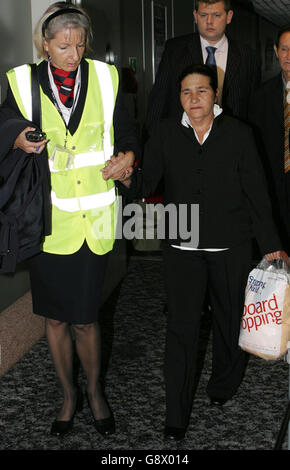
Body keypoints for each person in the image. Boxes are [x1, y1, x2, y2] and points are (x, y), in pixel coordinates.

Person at [114, 64, 283, 441]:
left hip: (231, 247)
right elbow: (146, 183)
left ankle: (223, 386)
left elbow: (257, 193)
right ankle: (176, 413)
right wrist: (126, 176)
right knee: (181, 329)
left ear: (215, 94)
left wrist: (271, 245)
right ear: (179, 97)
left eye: (201, 91)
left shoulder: (240, 134)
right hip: (182, 249)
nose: (193, 99)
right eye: (186, 92)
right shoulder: (164, 133)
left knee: (229, 324)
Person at [0, 2, 138, 437]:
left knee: (84, 317)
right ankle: (67, 394)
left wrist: (129, 158)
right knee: (54, 318)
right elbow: (3, 122)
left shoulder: (108, 78)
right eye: (63, 46)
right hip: (47, 221)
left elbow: (129, 132)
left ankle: (94, 392)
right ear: (45, 44)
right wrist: (18, 137)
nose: (74, 54)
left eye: (80, 45)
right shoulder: (20, 81)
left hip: (94, 220)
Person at [144, 0, 261, 139]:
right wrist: (149, 147)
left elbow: (254, 109)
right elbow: (158, 103)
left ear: (229, 16)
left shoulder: (247, 56)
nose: (209, 21)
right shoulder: (175, 51)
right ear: (195, 16)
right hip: (183, 142)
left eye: (216, 15)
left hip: (231, 143)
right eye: (203, 15)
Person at [250, 25, 290, 254]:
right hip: (273, 179)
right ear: (276, 51)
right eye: (284, 49)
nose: (289, 56)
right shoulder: (261, 96)